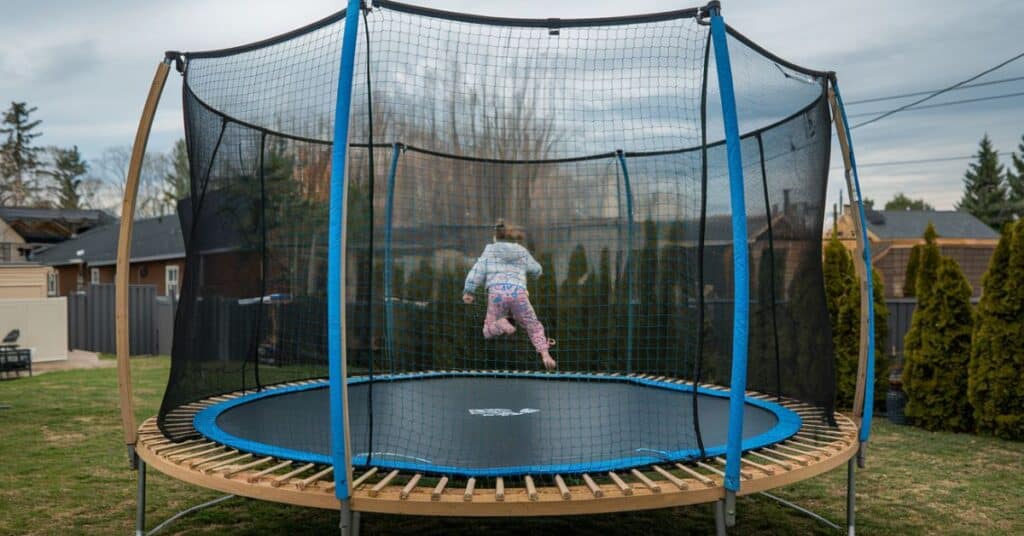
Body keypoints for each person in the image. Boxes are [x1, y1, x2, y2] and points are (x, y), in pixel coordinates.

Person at [463, 221, 556, 370]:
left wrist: (469, 290)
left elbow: (477, 271)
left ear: (495, 237)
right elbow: (537, 270)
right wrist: (530, 276)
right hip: (518, 293)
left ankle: (502, 324)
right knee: (533, 326)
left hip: (497, 294)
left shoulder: (490, 251)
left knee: (487, 331)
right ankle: (545, 355)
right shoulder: (521, 251)